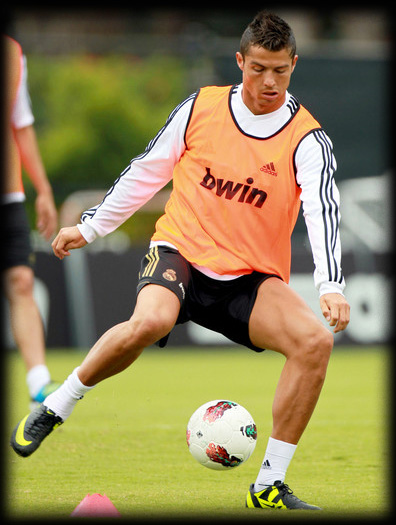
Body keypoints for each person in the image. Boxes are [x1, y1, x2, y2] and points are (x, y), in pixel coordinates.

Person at [10, 12, 350, 510]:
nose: (269, 81)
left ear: (294, 65)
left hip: (248, 278)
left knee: (315, 343)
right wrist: (89, 227)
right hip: (181, 253)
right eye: (258, 68)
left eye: (280, 70)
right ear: (240, 62)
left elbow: (324, 210)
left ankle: (269, 485)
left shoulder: (307, 139)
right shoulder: (201, 108)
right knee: (150, 320)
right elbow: (146, 171)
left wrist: (330, 285)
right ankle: (57, 405)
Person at [3, 35, 59, 407]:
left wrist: (42, 189)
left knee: (21, 280)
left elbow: (21, 125)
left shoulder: (12, 51)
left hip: (8, 191)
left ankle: (39, 380)